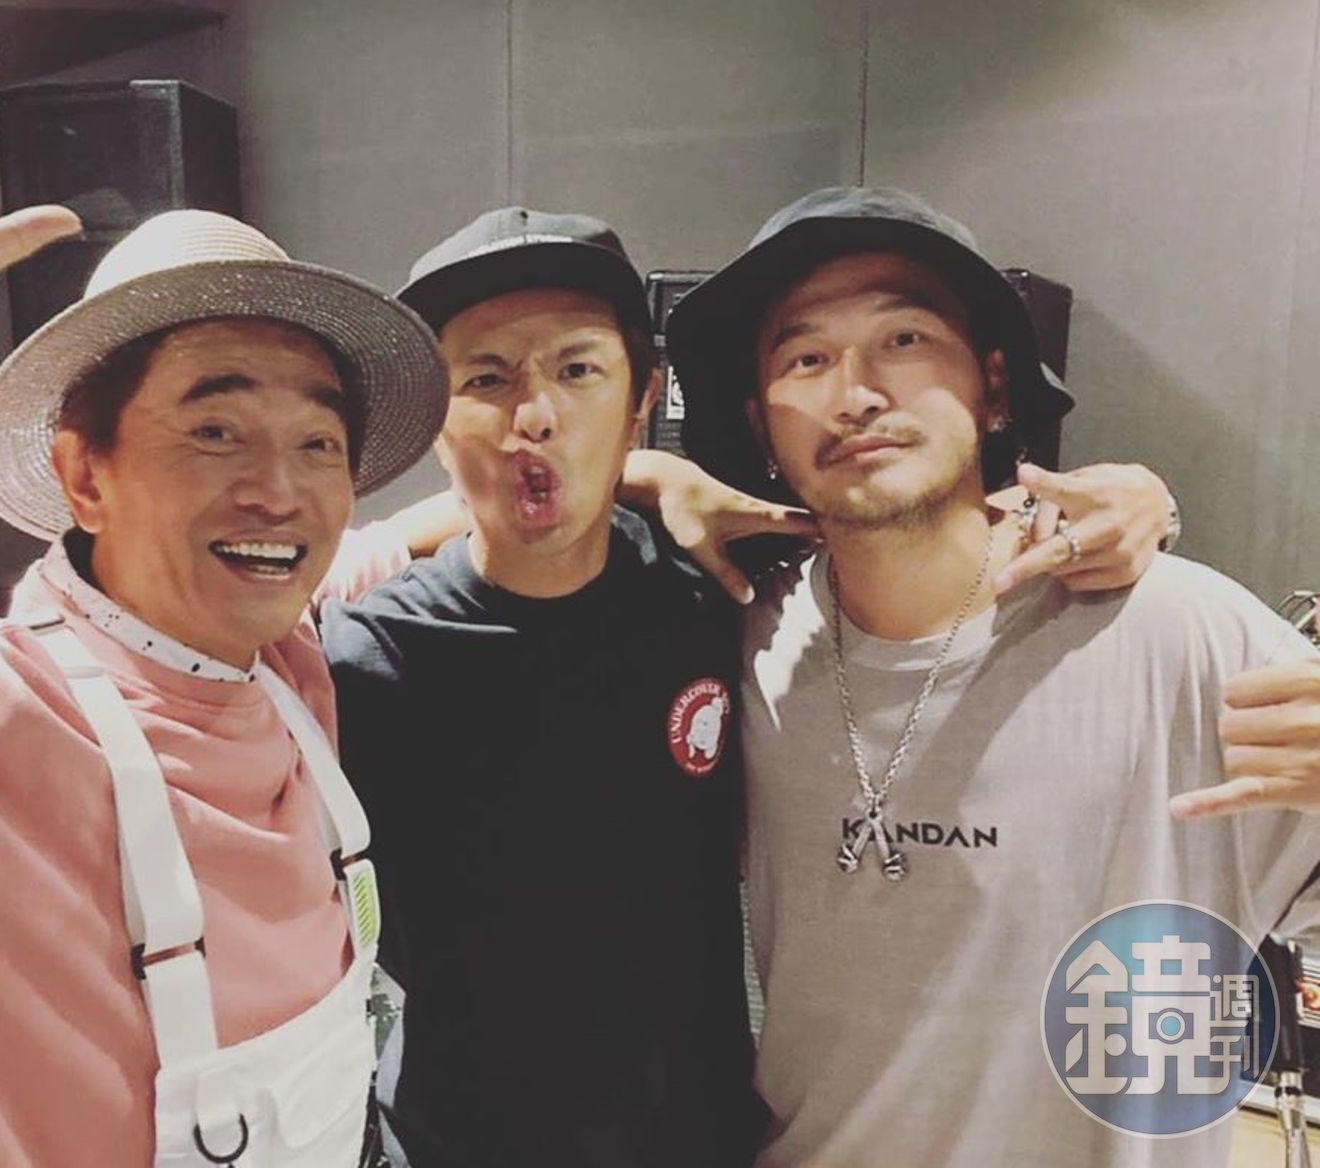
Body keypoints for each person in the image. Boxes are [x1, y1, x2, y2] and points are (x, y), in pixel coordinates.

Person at [0, 18, 446, 1168]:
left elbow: (393, 539)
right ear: (84, 474)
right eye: (214, 429)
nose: (279, 491)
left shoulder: (282, 658)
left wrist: (646, 478)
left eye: (317, 443)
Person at [317, 206, 1176, 1168]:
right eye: (486, 379)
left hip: (705, 1143)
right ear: (434, 421)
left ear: (643, 397)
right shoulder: (358, 665)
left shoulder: (720, 597)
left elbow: (916, 531)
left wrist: (1145, 502)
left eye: (579, 370)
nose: (537, 415)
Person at [666, 185, 1320, 1166]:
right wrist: (644, 477)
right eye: (806, 358)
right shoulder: (742, 645)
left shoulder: (1179, 634)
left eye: (903, 339)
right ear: (762, 427)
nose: (855, 394)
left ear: (995, 385)